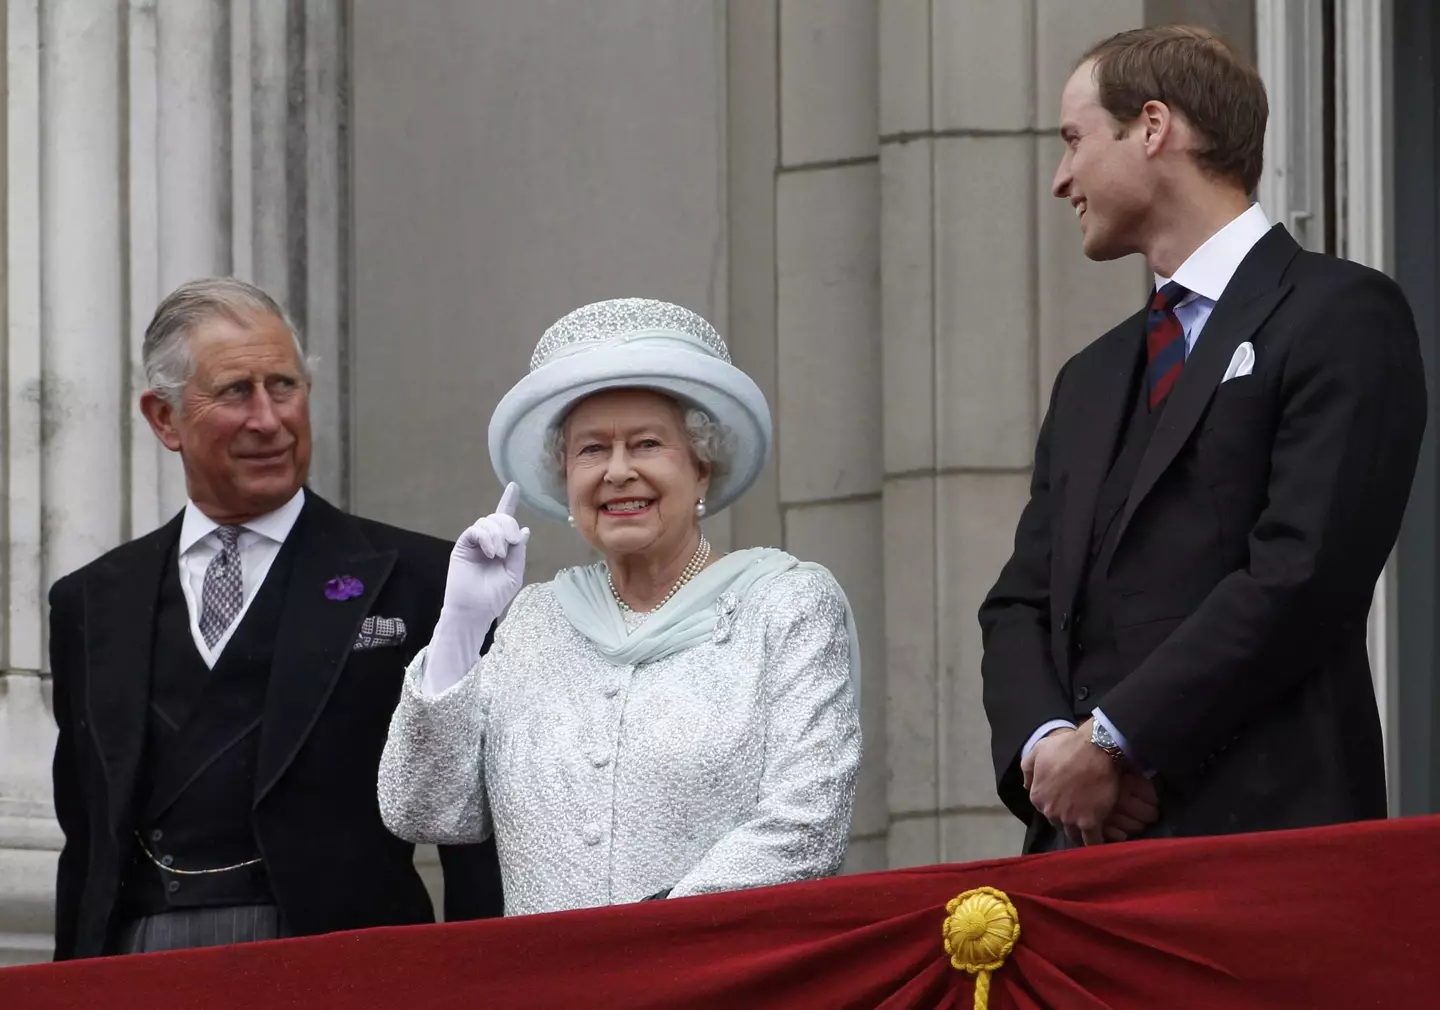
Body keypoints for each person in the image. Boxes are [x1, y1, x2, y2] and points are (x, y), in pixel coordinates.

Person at [979, 26, 1426, 853]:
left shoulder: (1341, 315)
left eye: (1074, 140)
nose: (1060, 179)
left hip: (1268, 848)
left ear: (1152, 127)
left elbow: (1302, 572)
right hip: (1086, 860)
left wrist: (1115, 739)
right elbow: (1020, 603)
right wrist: (1055, 754)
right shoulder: (1089, 376)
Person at [48, 278, 503, 958]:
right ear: (164, 418)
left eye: (283, 386)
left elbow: (475, 831)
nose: (269, 419)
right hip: (142, 966)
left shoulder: (424, 581)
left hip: (343, 968)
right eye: (236, 392)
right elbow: (87, 845)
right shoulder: (91, 601)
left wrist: (484, 984)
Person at [378, 297, 862, 915]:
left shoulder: (785, 604)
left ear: (702, 467)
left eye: (647, 444)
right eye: (591, 450)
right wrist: (462, 627)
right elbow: (425, 808)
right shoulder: (533, 622)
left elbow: (807, 826)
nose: (617, 471)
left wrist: (638, 946)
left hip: (717, 978)